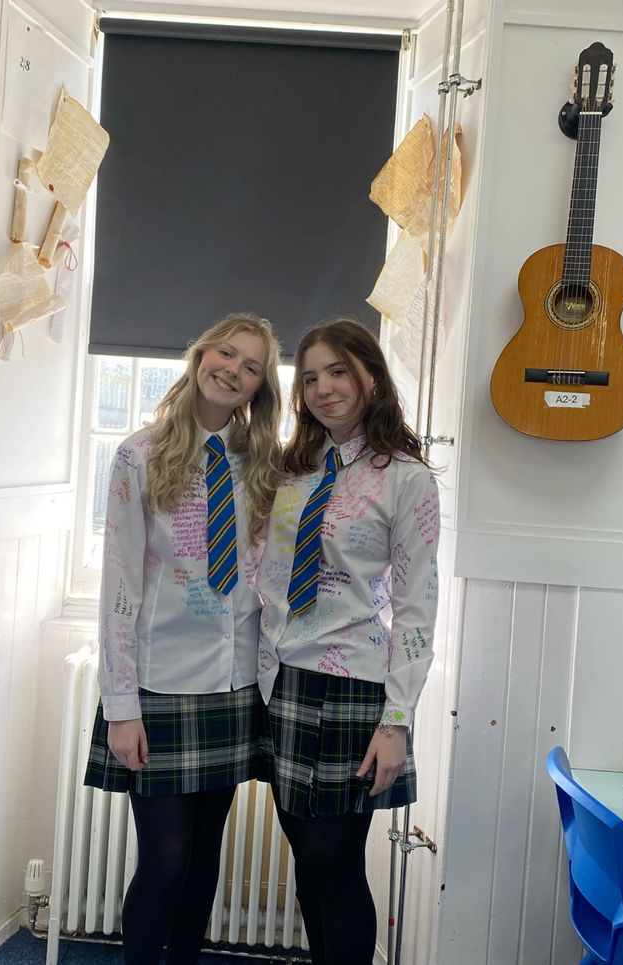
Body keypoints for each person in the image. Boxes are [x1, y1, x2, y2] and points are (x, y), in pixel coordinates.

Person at [84, 314, 282, 965]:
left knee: (202, 858)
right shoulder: (138, 456)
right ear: (200, 356)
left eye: (251, 366)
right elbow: (119, 585)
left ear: (259, 386)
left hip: (234, 685)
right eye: (226, 353)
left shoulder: (262, 464)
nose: (233, 369)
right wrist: (121, 706)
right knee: (165, 860)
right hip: (159, 684)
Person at [256, 319, 439, 965]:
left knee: (334, 862)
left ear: (371, 376)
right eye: (309, 378)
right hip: (283, 681)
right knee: (307, 859)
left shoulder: (406, 478)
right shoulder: (292, 471)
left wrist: (397, 720)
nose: (323, 388)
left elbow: (417, 606)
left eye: (337, 371)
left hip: (354, 685)